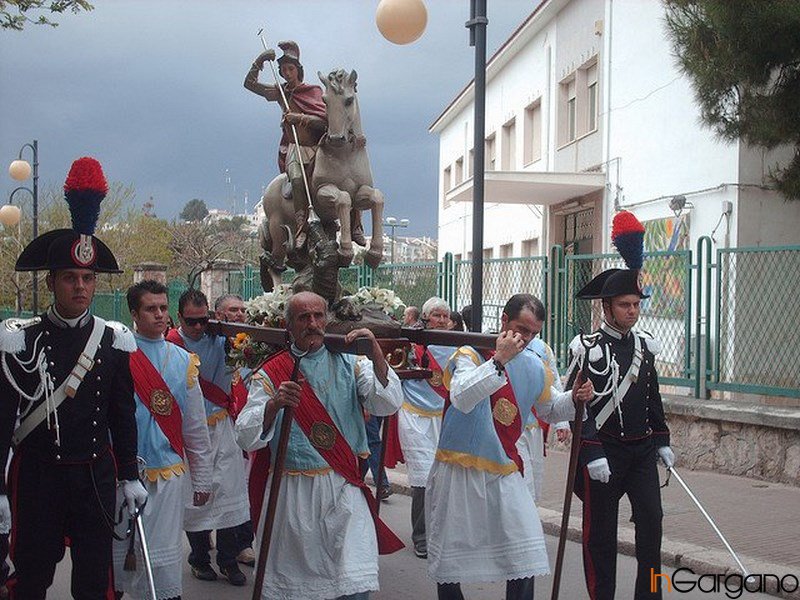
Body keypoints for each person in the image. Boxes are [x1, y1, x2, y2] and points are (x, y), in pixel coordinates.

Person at [0, 157, 146, 599]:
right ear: (51, 283)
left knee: (93, 580)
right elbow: (4, 419)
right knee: (30, 577)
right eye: (70, 278)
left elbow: (123, 413)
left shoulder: (113, 340)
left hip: (95, 477)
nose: (80, 287)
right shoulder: (18, 341)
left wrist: (129, 476)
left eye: (87, 278)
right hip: (38, 477)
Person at [236, 291, 404, 599]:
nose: (312, 323)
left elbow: (388, 403)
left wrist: (376, 352)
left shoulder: (352, 363)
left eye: (318, 316)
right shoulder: (272, 372)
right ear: (289, 326)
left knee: (354, 581)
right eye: (303, 317)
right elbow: (244, 435)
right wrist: (274, 405)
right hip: (292, 495)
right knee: (299, 589)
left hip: (343, 489)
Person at [426, 293, 594, 600]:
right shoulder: (469, 354)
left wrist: (574, 398)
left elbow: (549, 409)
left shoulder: (534, 365)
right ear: (504, 321)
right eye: (521, 329)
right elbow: (461, 397)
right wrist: (499, 360)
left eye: (533, 334)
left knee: (525, 550)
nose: (526, 339)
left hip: (504, 468)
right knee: (452, 556)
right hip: (459, 467)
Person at [568, 210, 674, 600]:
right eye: (625, 304)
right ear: (607, 307)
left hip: (642, 450)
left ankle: (651, 596)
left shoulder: (645, 345)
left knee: (652, 524)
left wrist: (662, 438)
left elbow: (652, 396)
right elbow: (577, 406)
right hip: (604, 452)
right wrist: (591, 451)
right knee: (601, 535)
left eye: (636, 304)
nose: (632, 310)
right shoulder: (587, 347)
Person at [113, 280, 213, 600]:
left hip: (167, 475)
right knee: (118, 558)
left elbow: (195, 427)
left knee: (162, 561)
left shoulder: (184, 361)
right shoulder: (117, 356)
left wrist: (202, 480)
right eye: (150, 308)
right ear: (134, 313)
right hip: (121, 476)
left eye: (162, 307)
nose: (159, 315)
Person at [166, 290, 251, 586]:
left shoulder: (224, 340)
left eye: (204, 320)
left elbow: (251, 345)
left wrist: (232, 324)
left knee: (229, 492)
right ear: (179, 318)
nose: (199, 327)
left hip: (222, 424)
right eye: (192, 322)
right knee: (196, 495)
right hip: (190, 430)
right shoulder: (170, 345)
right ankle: (200, 559)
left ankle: (228, 560)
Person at [245, 40, 328, 249]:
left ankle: (353, 224)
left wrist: (299, 118)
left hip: (317, 148)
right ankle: (302, 224)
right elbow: (250, 84)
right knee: (297, 179)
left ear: (298, 70)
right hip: (294, 148)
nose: (286, 73)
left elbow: (324, 121)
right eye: (283, 70)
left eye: (290, 69)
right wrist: (260, 60)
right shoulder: (281, 93)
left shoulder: (313, 91)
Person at [398, 297, 454, 559]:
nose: (442, 320)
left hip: (443, 417)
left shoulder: (457, 347)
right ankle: (420, 536)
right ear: (425, 318)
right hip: (415, 416)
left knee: (443, 477)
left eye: (445, 316)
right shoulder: (413, 345)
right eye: (437, 316)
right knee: (422, 476)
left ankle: (440, 533)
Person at [212, 293, 257, 568]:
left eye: (242, 309)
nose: (239, 314)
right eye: (233, 310)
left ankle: (243, 543)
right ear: (219, 315)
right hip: (220, 422)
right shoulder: (210, 341)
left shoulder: (256, 343)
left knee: (244, 487)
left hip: (250, 423)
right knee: (222, 488)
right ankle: (206, 543)